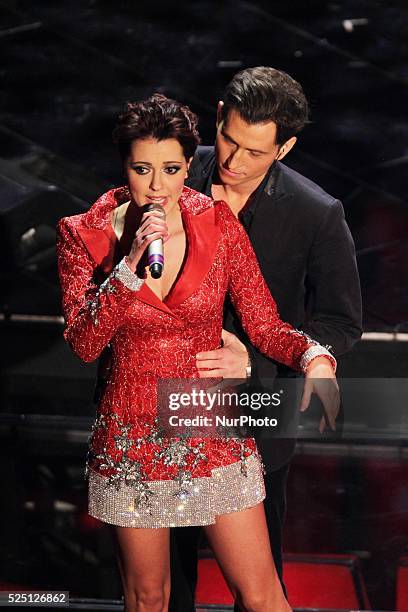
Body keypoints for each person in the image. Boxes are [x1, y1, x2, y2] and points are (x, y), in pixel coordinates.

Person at [57, 93, 339, 612]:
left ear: (190, 165)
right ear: (125, 166)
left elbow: (265, 324)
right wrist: (128, 267)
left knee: (263, 596)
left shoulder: (217, 223)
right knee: (149, 597)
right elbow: (83, 343)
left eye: (171, 169)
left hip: (209, 427)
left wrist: (314, 357)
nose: (157, 187)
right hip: (131, 438)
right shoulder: (84, 234)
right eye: (143, 169)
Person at [169, 67, 362, 610]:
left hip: (257, 406)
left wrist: (249, 353)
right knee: (167, 576)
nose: (233, 162)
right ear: (217, 116)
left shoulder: (316, 213)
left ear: (286, 147)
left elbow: (340, 324)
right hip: (164, 396)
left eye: (254, 151)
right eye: (228, 139)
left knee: (257, 584)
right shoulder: (172, 175)